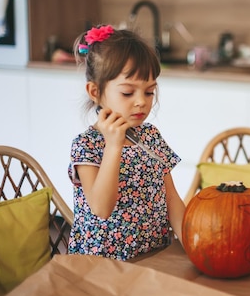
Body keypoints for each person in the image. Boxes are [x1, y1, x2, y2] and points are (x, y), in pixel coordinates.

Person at [68, 24, 186, 261]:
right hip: (104, 265)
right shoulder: (86, 145)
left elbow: (171, 198)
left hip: (155, 254)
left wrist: (194, 243)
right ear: (95, 91)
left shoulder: (150, 135)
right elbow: (101, 209)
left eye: (149, 92)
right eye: (127, 93)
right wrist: (114, 145)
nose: (141, 102)